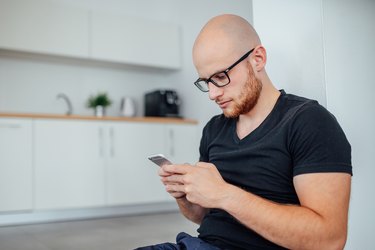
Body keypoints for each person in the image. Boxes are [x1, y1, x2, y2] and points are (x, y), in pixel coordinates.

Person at [136, 14, 352, 250]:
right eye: (205, 82)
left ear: (258, 58)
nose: (212, 94)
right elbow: (204, 216)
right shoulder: (214, 129)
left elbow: (329, 240)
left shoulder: (309, 122)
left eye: (220, 77)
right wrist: (185, 195)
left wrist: (225, 194)